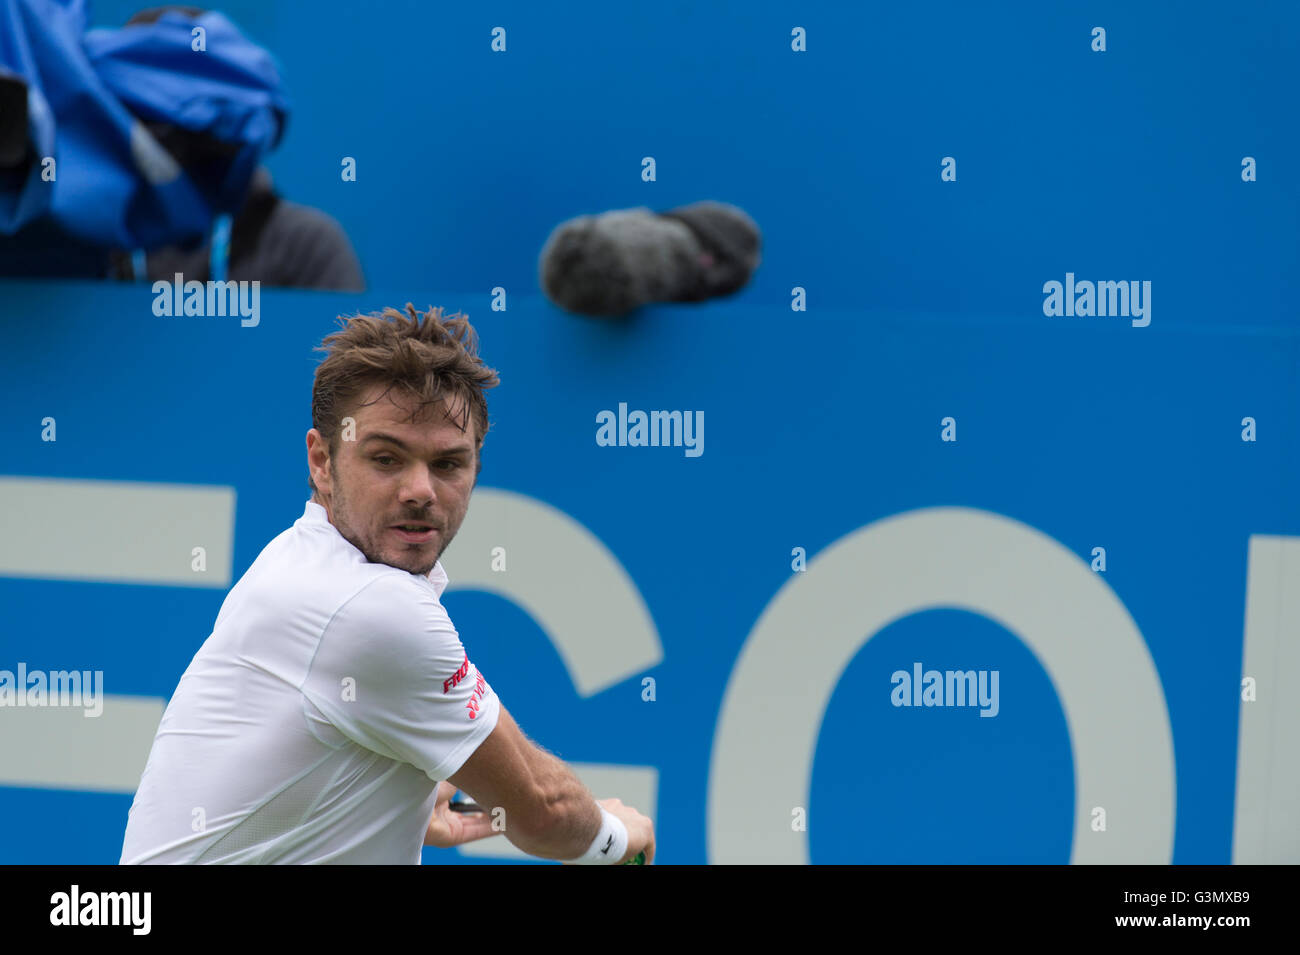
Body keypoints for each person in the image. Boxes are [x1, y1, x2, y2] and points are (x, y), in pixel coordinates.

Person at [119, 304, 654, 865]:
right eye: (386, 459)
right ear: (322, 461)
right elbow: (543, 813)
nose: (420, 490)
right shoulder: (371, 609)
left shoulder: (299, 558)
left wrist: (396, 805)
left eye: (448, 464)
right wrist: (619, 836)